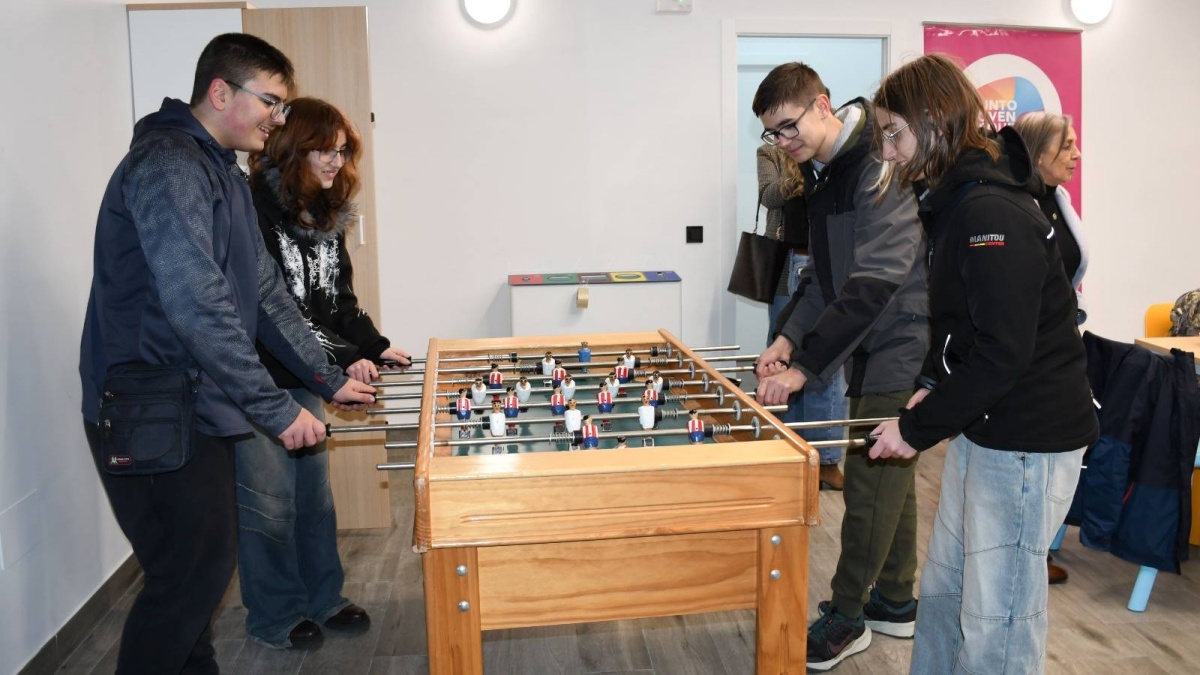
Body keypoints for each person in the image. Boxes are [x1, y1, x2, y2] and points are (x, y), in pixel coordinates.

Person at [78, 33, 376, 674]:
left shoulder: (223, 174)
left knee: (197, 573)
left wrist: (326, 379)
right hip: (147, 407)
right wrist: (275, 408)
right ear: (220, 92)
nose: (278, 117)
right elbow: (197, 304)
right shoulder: (168, 164)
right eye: (270, 101)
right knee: (188, 576)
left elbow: (267, 296)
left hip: (192, 404)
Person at [866, 53, 1098, 674]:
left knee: (1000, 620)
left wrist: (916, 429)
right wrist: (932, 387)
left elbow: (1002, 352)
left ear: (934, 120)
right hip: (988, 426)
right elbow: (964, 325)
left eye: (894, 134)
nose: (887, 152)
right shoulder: (959, 201)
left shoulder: (988, 211)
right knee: (948, 592)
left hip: (1027, 438)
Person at [751, 62, 930, 671]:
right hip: (869, 343)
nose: (783, 142)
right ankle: (896, 600)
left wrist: (804, 368)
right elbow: (824, 280)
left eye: (789, 126)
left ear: (822, 105)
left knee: (870, 483)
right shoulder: (825, 173)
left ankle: (848, 616)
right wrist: (787, 338)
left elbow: (873, 281)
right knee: (890, 471)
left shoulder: (877, 163)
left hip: (901, 341)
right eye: (772, 133)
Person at [238, 96, 410, 648]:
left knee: (314, 501)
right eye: (324, 151)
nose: (337, 162)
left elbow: (338, 301)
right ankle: (275, 618)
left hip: (307, 376)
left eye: (342, 151)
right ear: (294, 149)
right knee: (269, 507)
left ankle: (323, 599)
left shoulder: (325, 214)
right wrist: (341, 359)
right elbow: (279, 311)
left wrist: (375, 346)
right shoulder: (252, 211)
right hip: (258, 381)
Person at [1013, 111, 1087, 586]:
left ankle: (1038, 549)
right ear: (1038, 153)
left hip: (1060, 340)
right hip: (1031, 351)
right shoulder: (1019, 207)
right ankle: (1027, 554)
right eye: (1067, 146)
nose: (1077, 154)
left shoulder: (1057, 199)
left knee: (1059, 464)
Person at [757, 142, 850, 490]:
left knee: (826, 362)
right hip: (788, 264)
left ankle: (826, 459)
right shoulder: (770, 153)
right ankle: (791, 450)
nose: (785, 137)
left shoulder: (831, 155)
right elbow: (769, 196)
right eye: (778, 131)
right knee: (782, 360)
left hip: (822, 265)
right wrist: (799, 169)